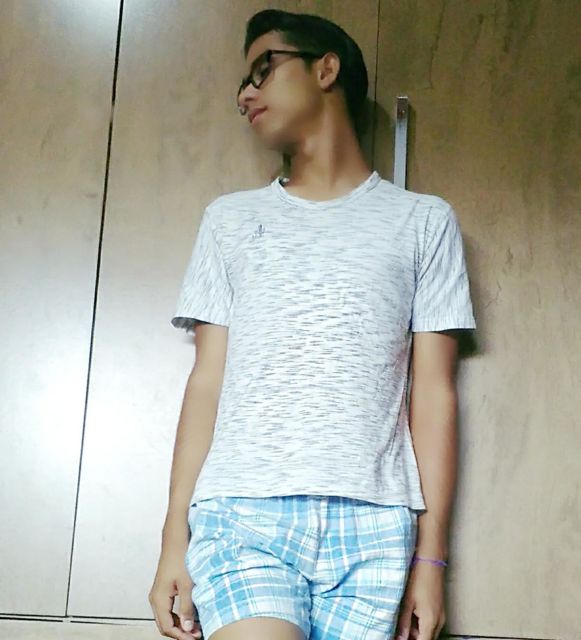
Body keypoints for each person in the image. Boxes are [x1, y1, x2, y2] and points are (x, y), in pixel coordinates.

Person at [149, 8, 476, 640]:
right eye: (242, 83)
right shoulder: (229, 221)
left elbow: (435, 396)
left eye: (263, 69)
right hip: (243, 514)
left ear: (326, 69)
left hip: (376, 528)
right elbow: (207, 383)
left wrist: (431, 562)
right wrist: (172, 542)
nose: (245, 94)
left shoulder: (424, 222)